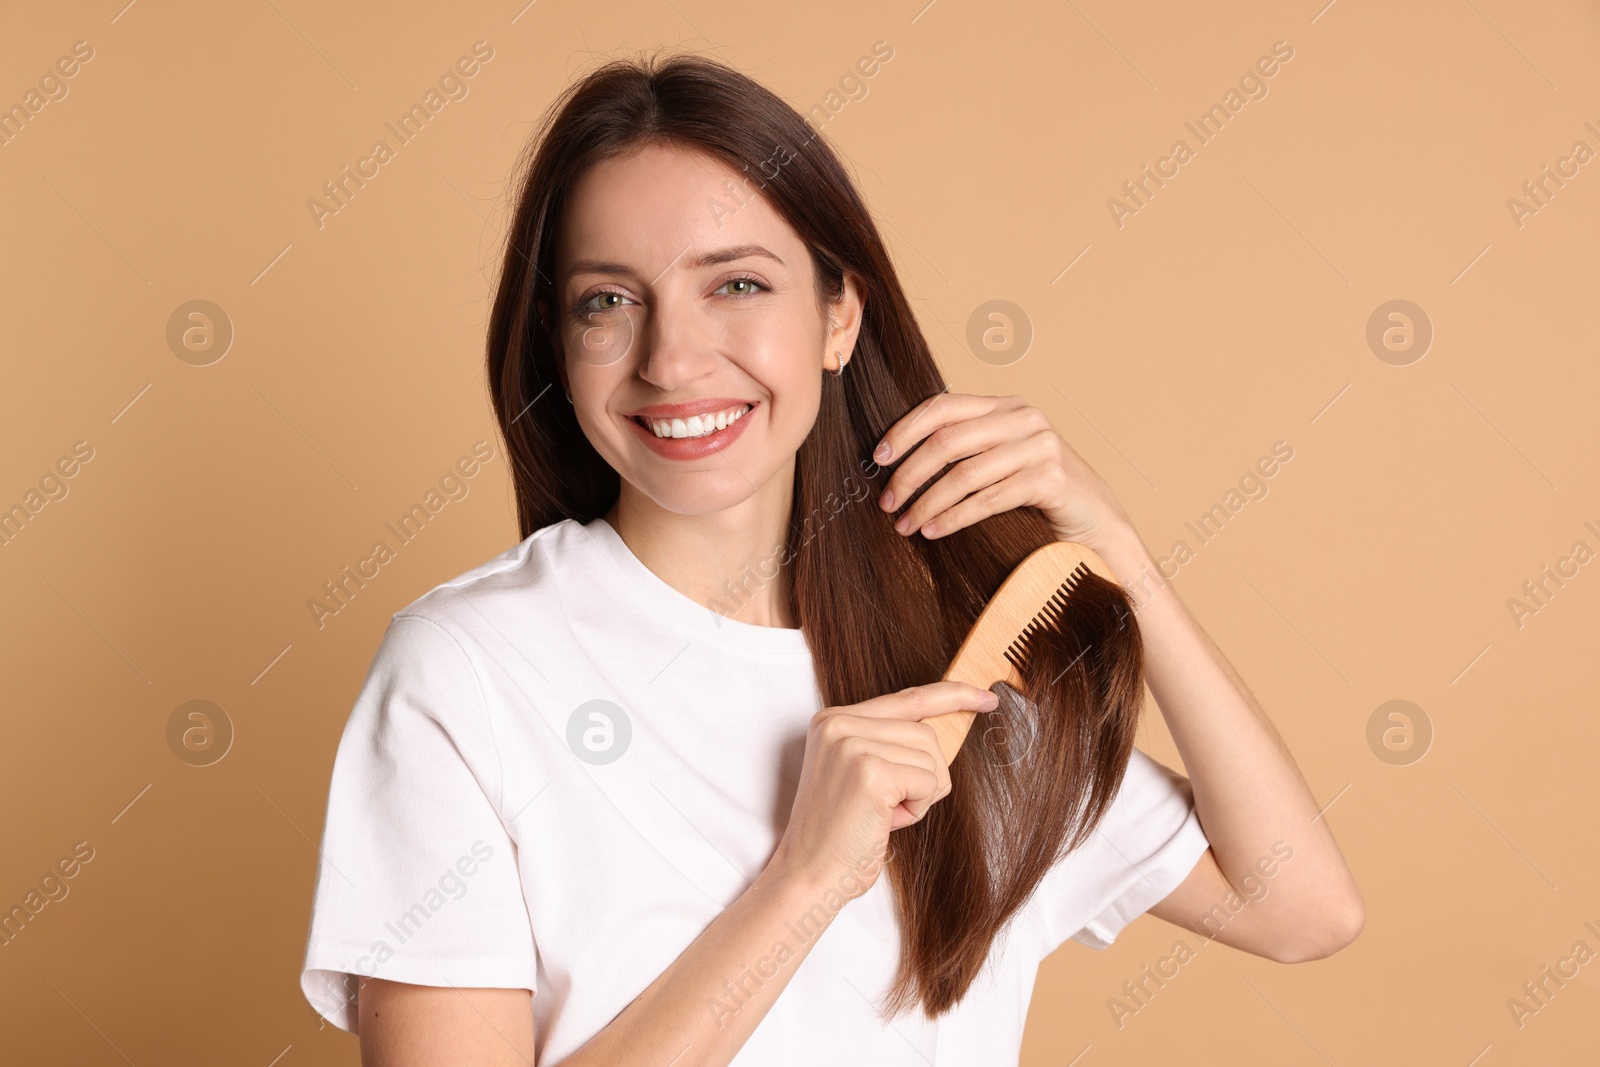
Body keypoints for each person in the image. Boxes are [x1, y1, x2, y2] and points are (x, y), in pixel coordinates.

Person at [299, 52, 1363, 1067]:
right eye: (608, 300)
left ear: (839, 314)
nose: (671, 358)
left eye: (738, 285)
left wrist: (1116, 555)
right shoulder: (467, 670)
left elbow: (1299, 905)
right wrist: (805, 877)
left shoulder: (962, 671)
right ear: (558, 341)